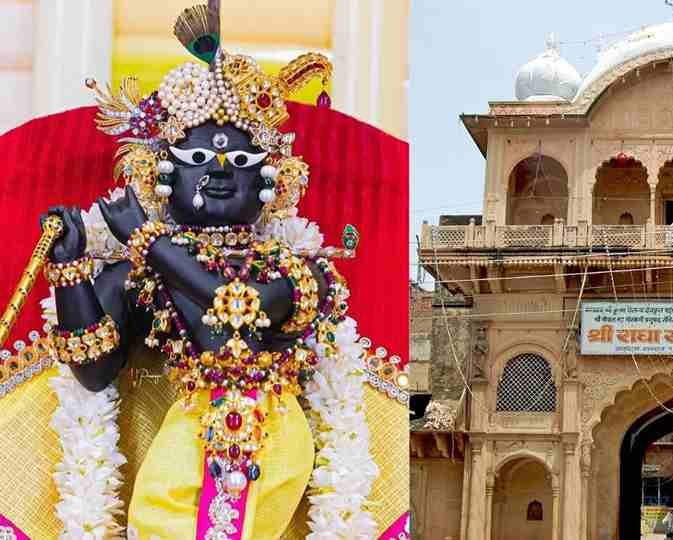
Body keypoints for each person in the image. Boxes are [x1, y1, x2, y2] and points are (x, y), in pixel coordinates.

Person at [0, 2, 409, 538]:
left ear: (271, 181)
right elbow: (94, 369)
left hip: (274, 444)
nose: (218, 171)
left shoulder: (298, 266)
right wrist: (72, 268)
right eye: (197, 160)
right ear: (162, 173)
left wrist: (150, 239)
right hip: (185, 437)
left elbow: (241, 308)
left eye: (240, 162)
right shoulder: (139, 274)